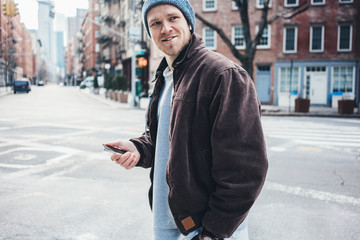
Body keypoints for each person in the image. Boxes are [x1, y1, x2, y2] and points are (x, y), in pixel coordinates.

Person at [106, 0, 268, 239]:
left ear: (189, 22)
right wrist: (139, 148)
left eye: (173, 18)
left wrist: (213, 232)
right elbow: (171, 141)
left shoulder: (223, 75)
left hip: (206, 229)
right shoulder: (165, 76)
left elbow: (245, 170)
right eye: (156, 23)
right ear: (149, 32)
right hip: (168, 222)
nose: (165, 29)